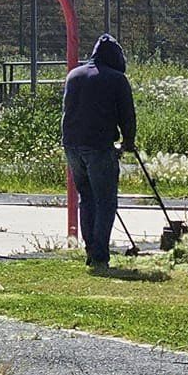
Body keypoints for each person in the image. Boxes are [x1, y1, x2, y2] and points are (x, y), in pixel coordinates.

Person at [61, 33, 137, 273]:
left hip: (72, 145)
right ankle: (100, 256)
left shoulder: (74, 75)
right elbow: (127, 115)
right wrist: (129, 142)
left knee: (87, 198)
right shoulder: (116, 79)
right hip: (98, 147)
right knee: (105, 201)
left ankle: (90, 251)